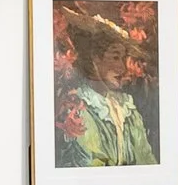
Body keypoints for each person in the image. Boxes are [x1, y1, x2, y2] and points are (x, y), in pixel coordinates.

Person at [58, 12, 157, 167]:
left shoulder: (126, 107)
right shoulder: (77, 106)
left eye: (124, 59)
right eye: (115, 57)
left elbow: (145, 158)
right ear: (95, 58)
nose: (123, 67)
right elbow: (90, 165)